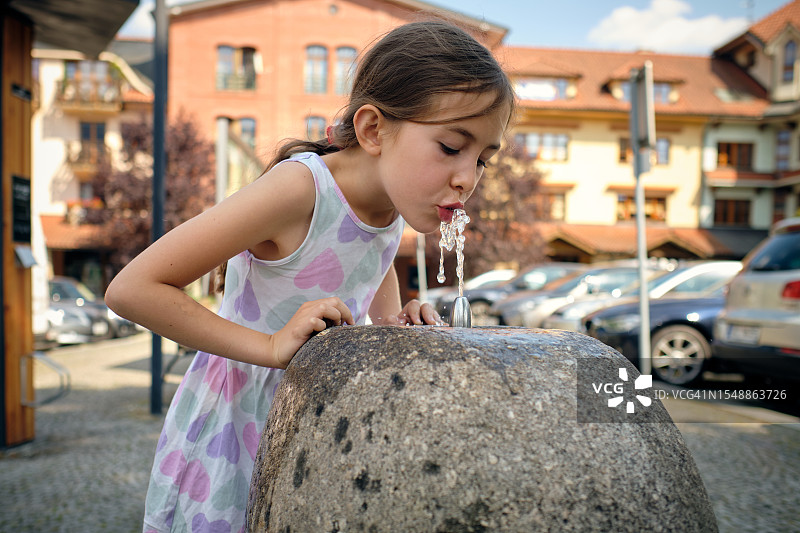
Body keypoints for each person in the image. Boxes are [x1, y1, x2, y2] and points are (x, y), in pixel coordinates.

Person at [105, 19, 516, 533]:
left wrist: (400, 326)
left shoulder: (389, 210)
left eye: (484, 159)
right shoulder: (301, 190)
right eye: (452, 148)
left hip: (313, 422)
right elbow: (131, 289)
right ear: (373, 130)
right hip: (234, 427)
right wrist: (272, 346)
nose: (467, 177)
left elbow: (373, 316)